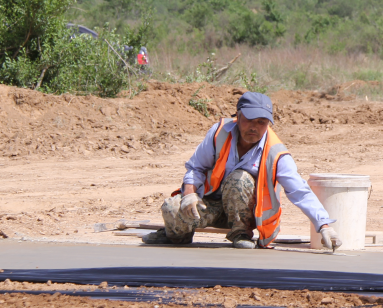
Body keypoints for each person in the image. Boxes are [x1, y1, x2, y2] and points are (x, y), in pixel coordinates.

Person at [142, 92, 341, 250]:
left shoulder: (276, 153)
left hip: (246, 213)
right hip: (209, 206)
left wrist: (323, 225)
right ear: (237, 116)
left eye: (261, 122)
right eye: (249, 120)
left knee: (240, 178)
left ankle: (240, 233)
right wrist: (189, 195)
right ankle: (174, 235)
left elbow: (299, 191)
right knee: (171, 208)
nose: (254, 127)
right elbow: (196, 167)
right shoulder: (219, 133)